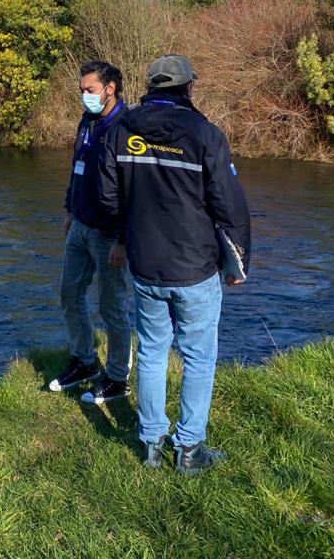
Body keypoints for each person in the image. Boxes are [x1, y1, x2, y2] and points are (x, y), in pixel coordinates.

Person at [109, 55, 251, 474]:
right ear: (188, 87)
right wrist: (239, 260)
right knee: (198, 357)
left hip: (145, 263)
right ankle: (189, 449)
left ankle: (152, 446)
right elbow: (229, 204)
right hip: (194, 266)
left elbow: (108, 195)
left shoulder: (121, 129)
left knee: (152, 352)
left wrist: (124, 238)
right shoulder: (204, 133)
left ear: (151, 87)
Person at [49, 60, 133, 404]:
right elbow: (77, 168)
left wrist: (123, 240)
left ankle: (117, 377)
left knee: (112, 307)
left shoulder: (127, 128)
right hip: (80, 226)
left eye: (90, 90)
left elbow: (133, 189)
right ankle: (84, 361)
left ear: (110, 88)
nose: (84, 95)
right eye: (82, 90)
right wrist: (70, 209)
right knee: (69, 293)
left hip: (110, 236)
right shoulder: (86, 121)